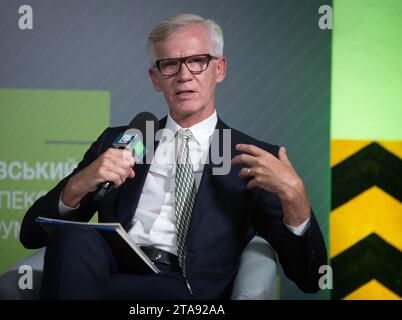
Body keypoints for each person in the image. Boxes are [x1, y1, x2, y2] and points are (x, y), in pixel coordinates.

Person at [20, 13, 327, 300]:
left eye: (197, 61)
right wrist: (80, 184)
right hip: (109, 269)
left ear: (219, 69)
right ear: (156, 78)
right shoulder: (122, 141)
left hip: (185, 289)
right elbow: (31, 234)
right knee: (71, 237)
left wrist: (295, 198)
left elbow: (310, 278)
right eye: (170, 64)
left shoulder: (252, 158)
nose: (184, 76)